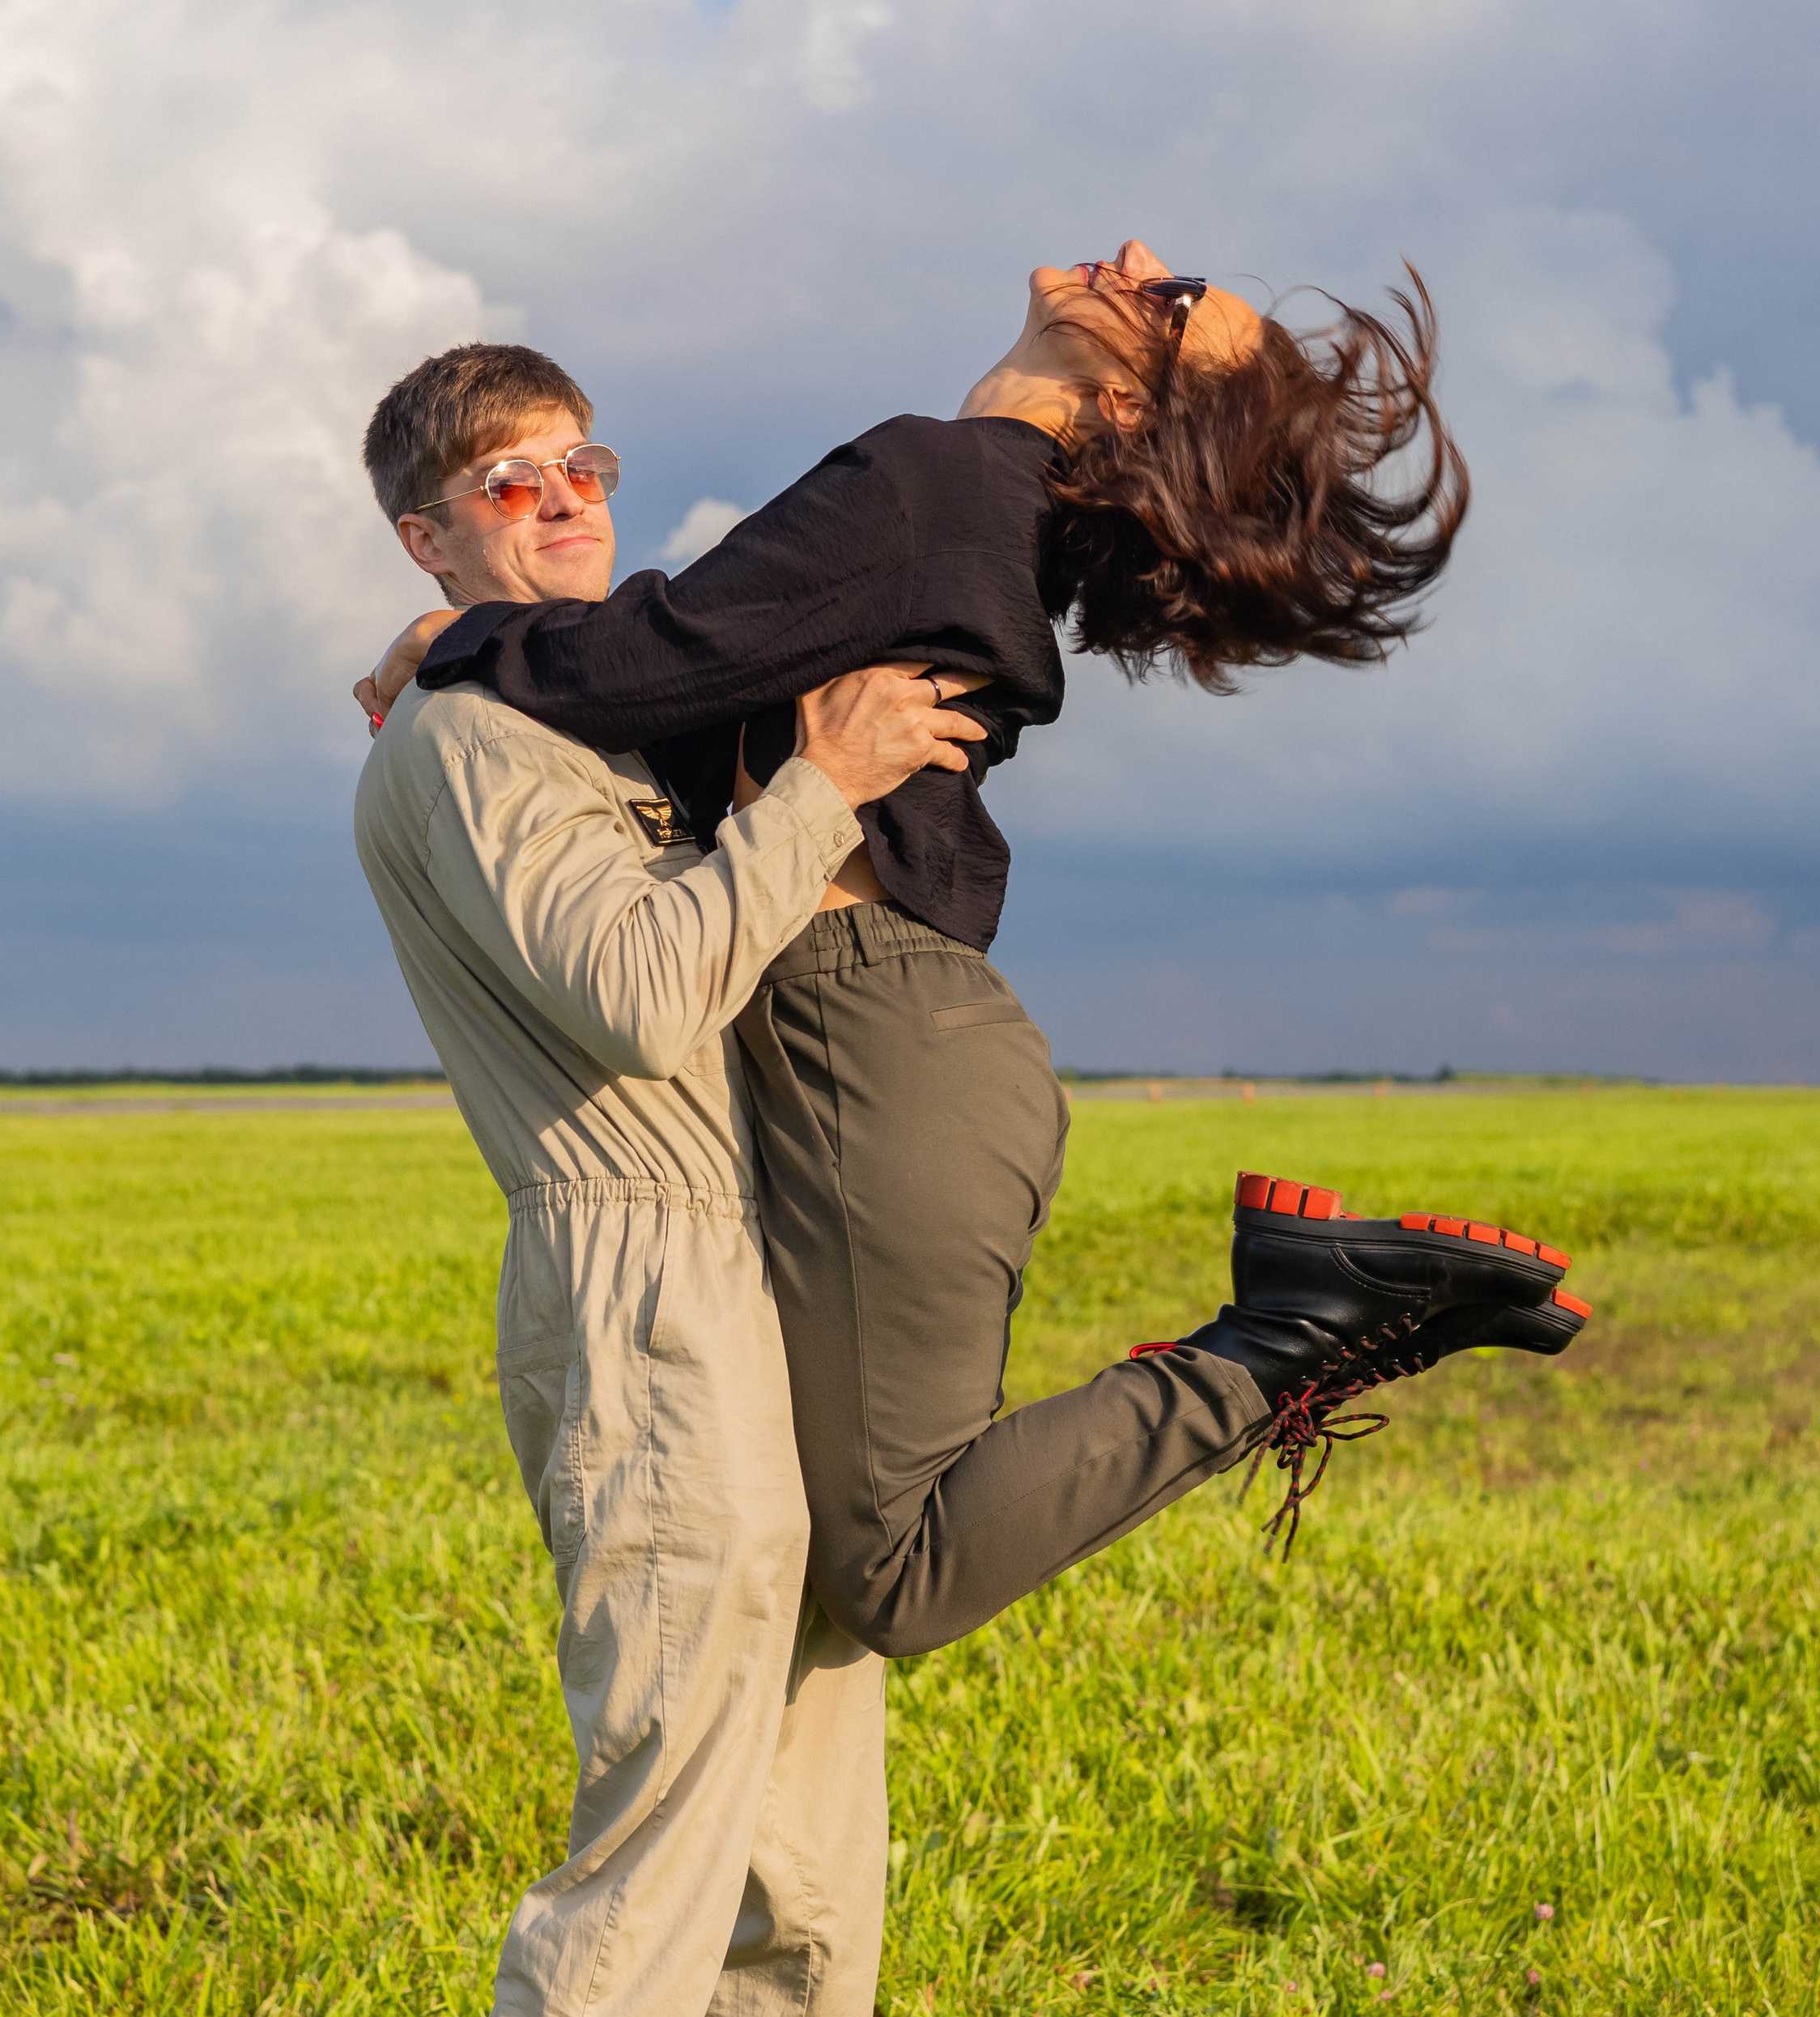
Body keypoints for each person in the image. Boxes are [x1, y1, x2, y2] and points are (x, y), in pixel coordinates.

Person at [360, 242, 1588, 1637]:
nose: (1135, 261)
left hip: (867, 1034)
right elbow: (681, 665)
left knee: (891, 1575)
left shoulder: (932, 483)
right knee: (800, 1535)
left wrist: (450, 640)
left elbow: (647, 659)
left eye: (1171, 304)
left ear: (1134, 400)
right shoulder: (975, 507)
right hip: (895, 1036)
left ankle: (1287, 1336)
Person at [346, 340, 989, 2017]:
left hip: (757, 1287)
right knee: (654, 1861)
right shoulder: (476, 735)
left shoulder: (557, 697)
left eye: (579, 466)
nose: (560, 500)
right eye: (504, 485)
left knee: (813, 1840)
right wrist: (812, 788)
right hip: (645, 1314)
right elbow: (636, 987)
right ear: (430, 538)